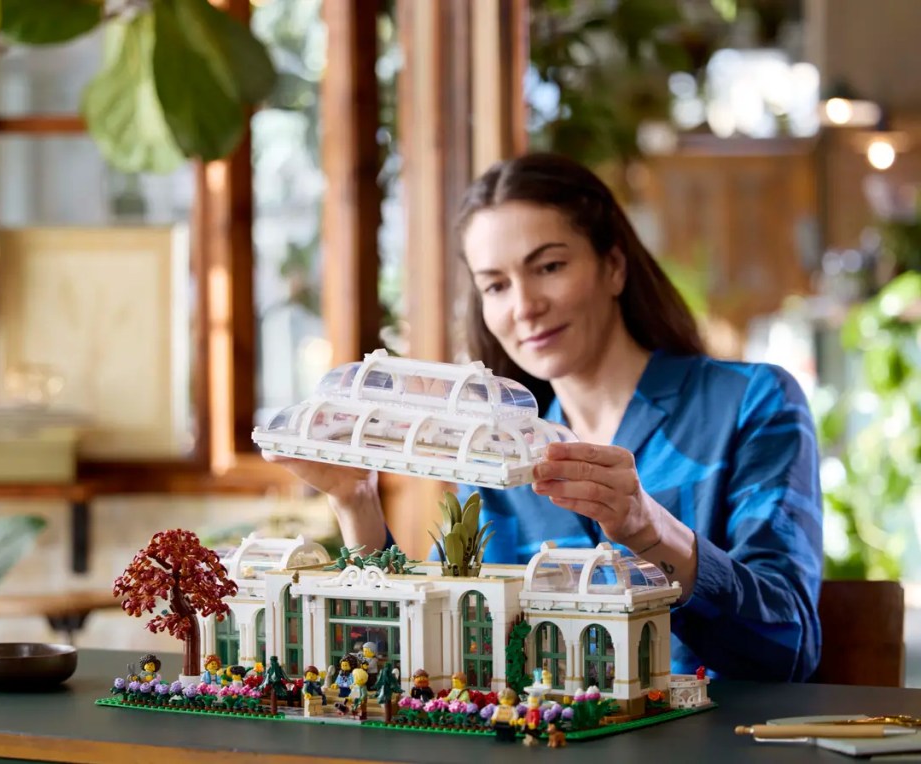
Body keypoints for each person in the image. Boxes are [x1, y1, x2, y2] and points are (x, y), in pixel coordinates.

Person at [266, 152, 822, 682]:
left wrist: (651, 531)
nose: (524, 305)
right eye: (496, 285)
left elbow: (786, 649)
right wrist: (356, 501)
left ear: (613, 267)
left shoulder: (751, 403)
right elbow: (426, 657)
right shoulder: (493, 454)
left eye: (549, 266)